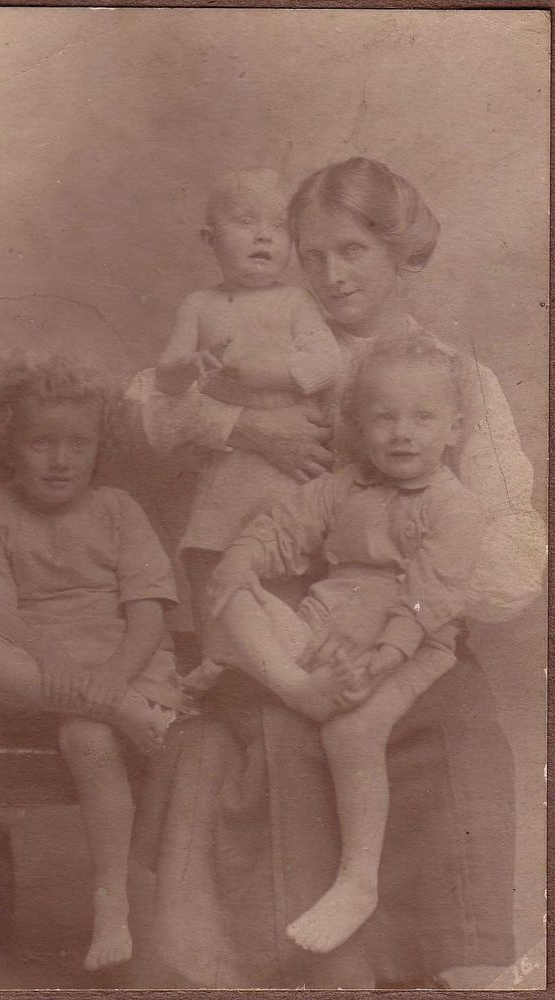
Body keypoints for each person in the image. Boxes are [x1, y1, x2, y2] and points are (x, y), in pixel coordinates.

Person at [127, 158, 545, 988]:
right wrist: (244, 427)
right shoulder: (266, 329)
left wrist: (424, 575)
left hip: (404, 617)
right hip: (279, 624)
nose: (330, 275)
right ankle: (306, 970)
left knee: (459, 726)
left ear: (399, 252)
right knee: (258, 738)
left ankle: (444, 961)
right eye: (309, 254)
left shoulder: (456, 377)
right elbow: (146, 405)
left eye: (351, 251)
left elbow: (512, 541)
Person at [203, 334, 489, 956]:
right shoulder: (342, 487)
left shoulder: (456, 507)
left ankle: (359, 881)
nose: (401, 432)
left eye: (422, 417)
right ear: (357, 424)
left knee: (350, 732)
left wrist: (380, 659)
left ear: (454, 428)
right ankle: (295, 688)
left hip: (409, 646)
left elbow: (429, 595)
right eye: (383, 416)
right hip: (320, 627)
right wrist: (241, 559)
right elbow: (281, 528)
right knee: (234, 595)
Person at [0, 356, 192, 974]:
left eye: (77, 444)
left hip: (118, 661)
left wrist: (111, 678)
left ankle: (110, 902)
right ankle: (110, 709)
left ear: (98, 448)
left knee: (87, 735)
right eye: (41, 443)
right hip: (33, 666)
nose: (60, 459)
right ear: (9, 446)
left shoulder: (117, 509)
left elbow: (147, 616)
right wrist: (57, 664)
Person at [154, 167, 340, 648]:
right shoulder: (199, 305)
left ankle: (283, 663)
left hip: (290, 471)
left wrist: (268, 375)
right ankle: (215, 661)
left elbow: (326, 361)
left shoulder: (298, 300)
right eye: (245, 222)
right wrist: (188, 365)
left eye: (278, 226)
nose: (263, 235)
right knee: (210, 554)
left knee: (287, 566)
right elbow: (165, 379)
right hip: (232, 464)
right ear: (209, 238)